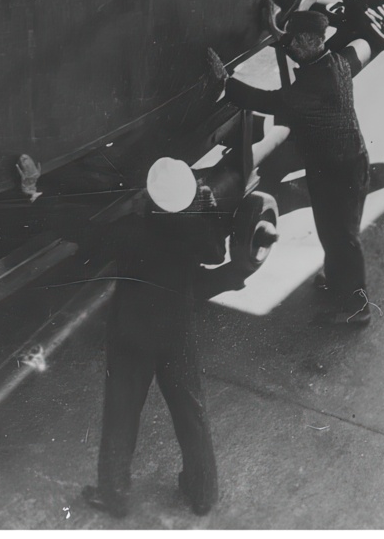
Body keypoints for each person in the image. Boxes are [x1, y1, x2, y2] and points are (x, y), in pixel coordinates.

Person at [207, 0, 384, 327]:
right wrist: (274, 27)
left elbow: (264, 100)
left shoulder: (311, 88)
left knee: (342, 238)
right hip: (344, 165)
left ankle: (357, 308)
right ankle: (339, 283)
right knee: (333, 232)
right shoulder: (334, 60)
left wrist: (225, 81)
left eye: (298, 39)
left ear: (312, 41)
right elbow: (297, 48)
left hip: (338, 174)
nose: (292, 45)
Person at [82, 158, 239, 519]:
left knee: (121, 415)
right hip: (176, 334)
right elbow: (217, 252)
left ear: (149, 197)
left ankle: (114, 494)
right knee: (190, 412)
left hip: (131, 337)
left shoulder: (128, 230)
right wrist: (209, 209)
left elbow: (88, 245)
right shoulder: (195, 230)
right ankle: (202, 493)